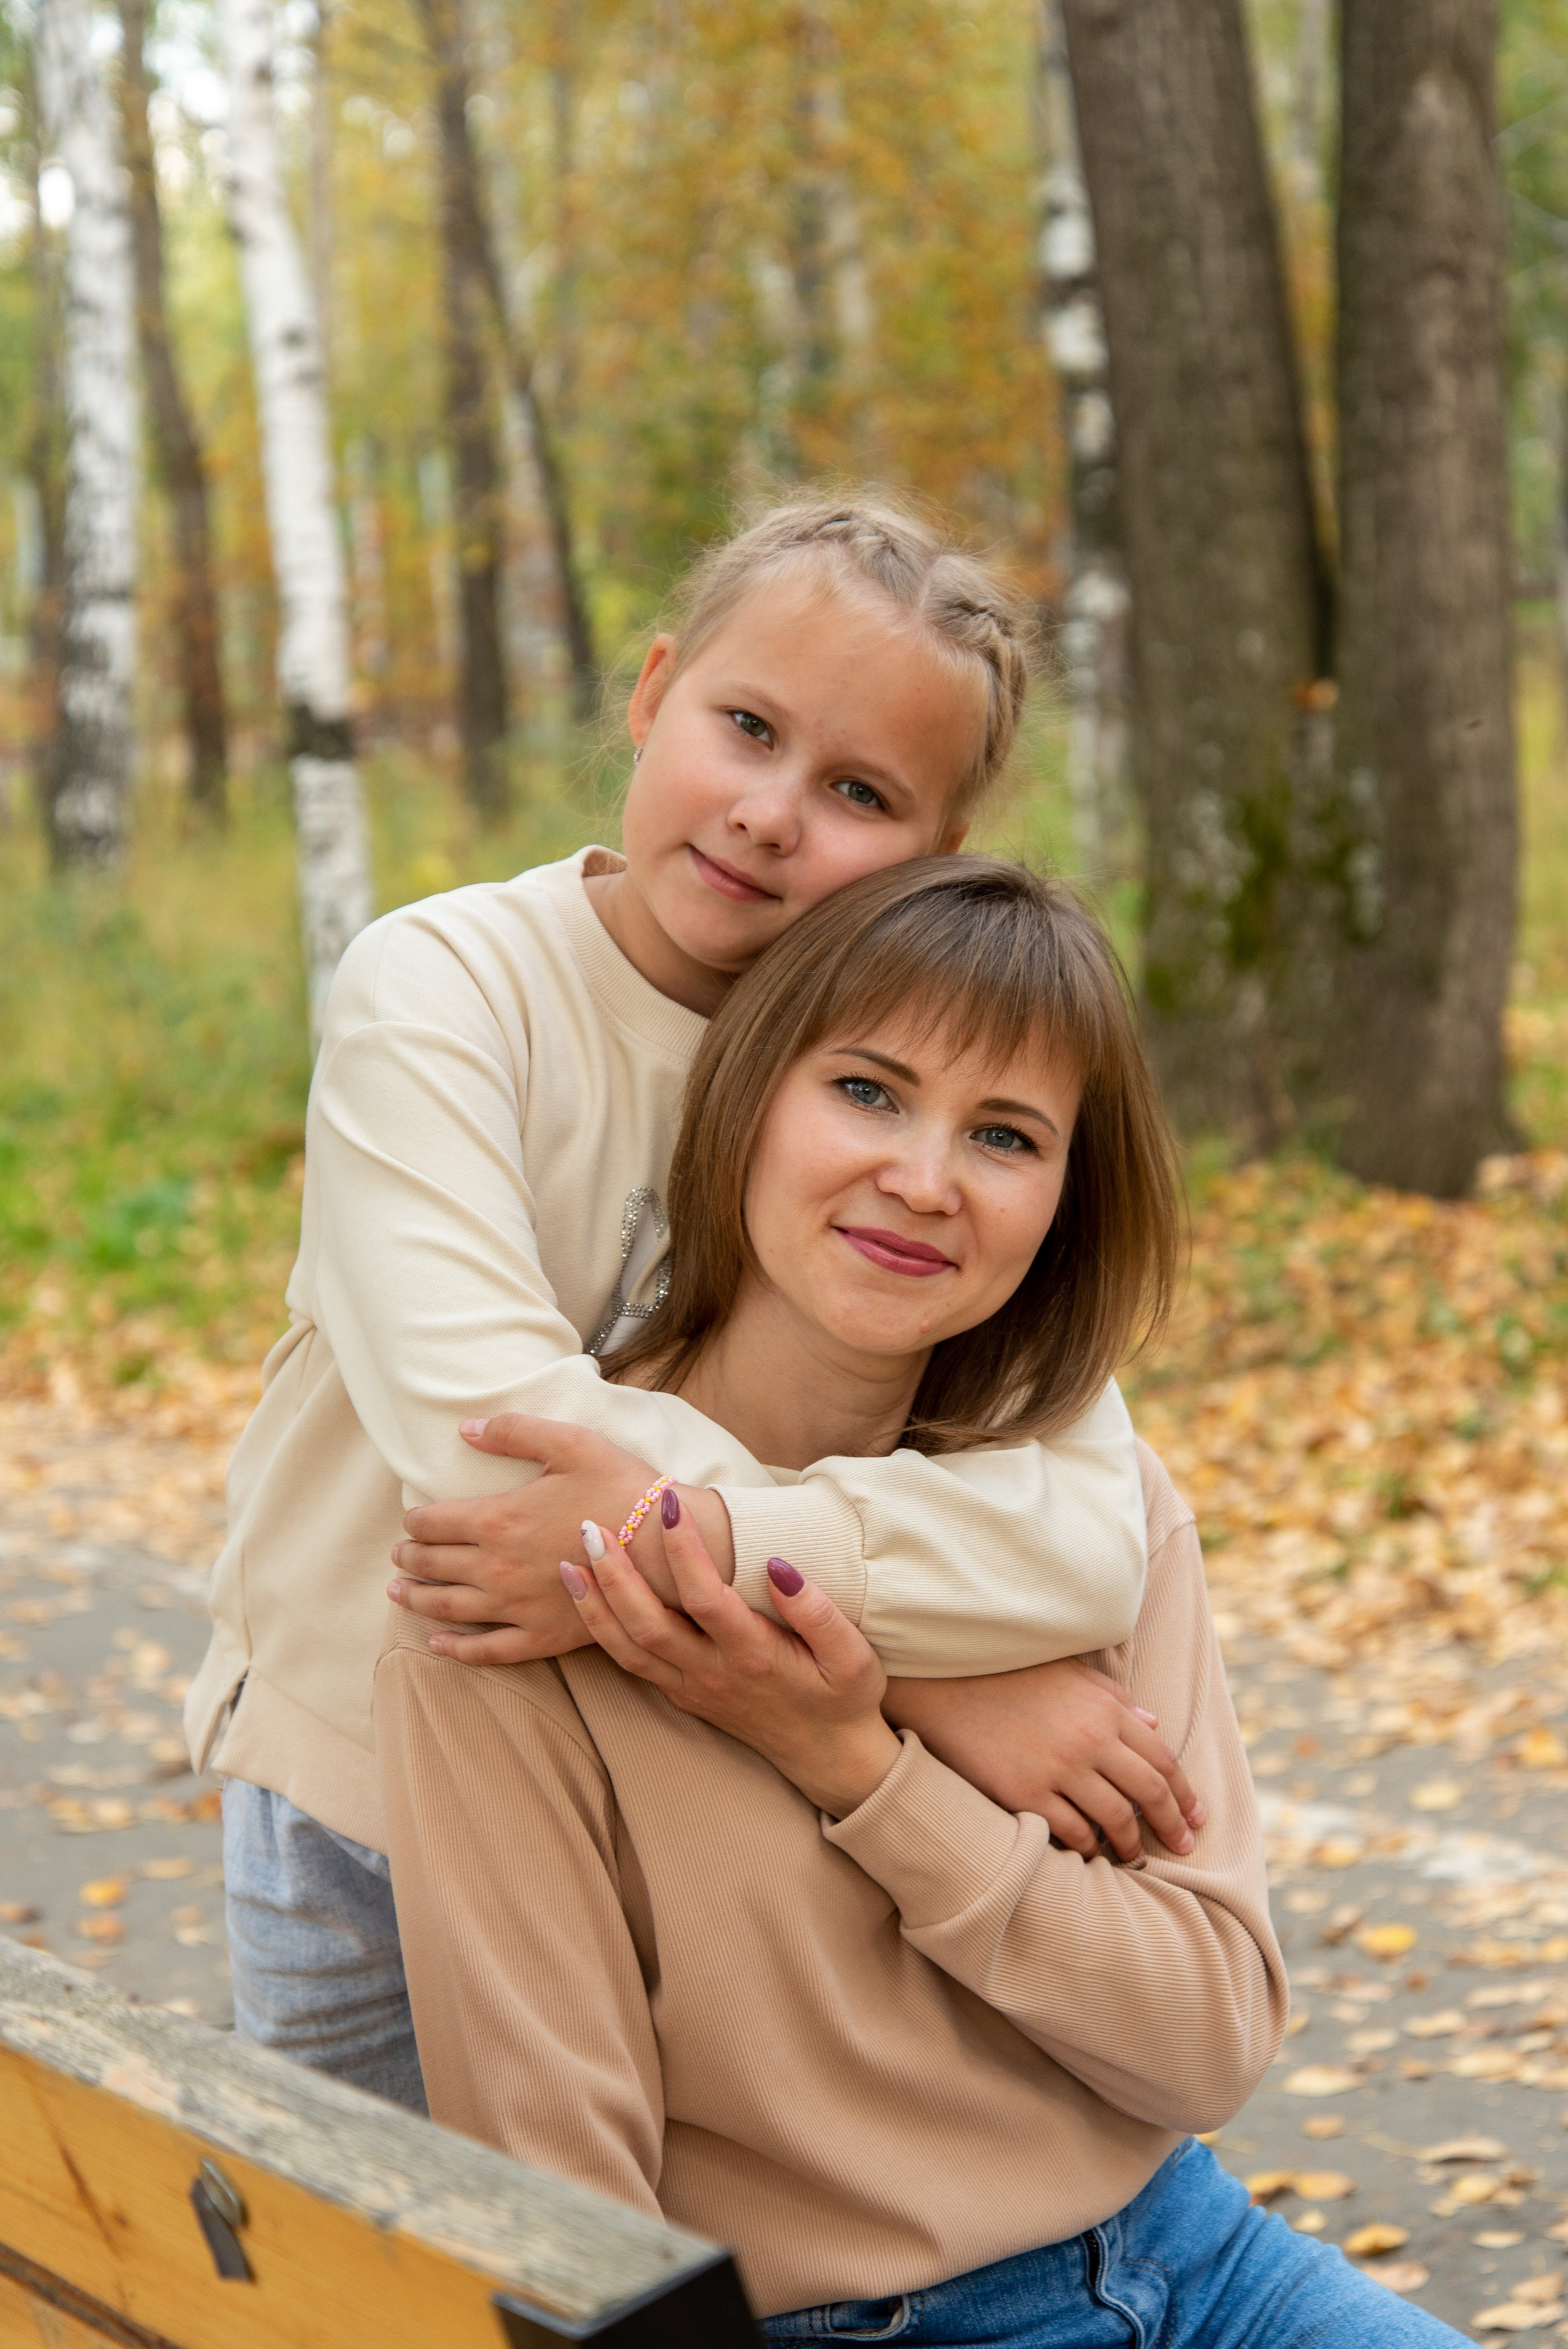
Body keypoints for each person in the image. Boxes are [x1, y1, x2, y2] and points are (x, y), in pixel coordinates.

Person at [378, 861, 1469, 2348]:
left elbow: (1205, 2039)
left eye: (1005, 1135)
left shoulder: (1083, 1510)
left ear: (1060, 1206)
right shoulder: (525, 1573)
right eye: (869, 1092)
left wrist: (861, 1763)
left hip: (1195, 2265)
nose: (924, 1178)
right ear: (748, 1096)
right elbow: (561, 2198)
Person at [187, 497, 1164, 2114]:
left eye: (859, 791)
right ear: (651, 697)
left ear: (937, 856)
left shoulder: (890, 1088)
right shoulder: (445, 990)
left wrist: (755, 1618)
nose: (773, 814)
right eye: (747, 727)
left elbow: (1084, 1528)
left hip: (686, 1785)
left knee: (656, 2259)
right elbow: (492, 1465)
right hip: (363, 1776)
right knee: (379, 2263)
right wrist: (918, 1675)